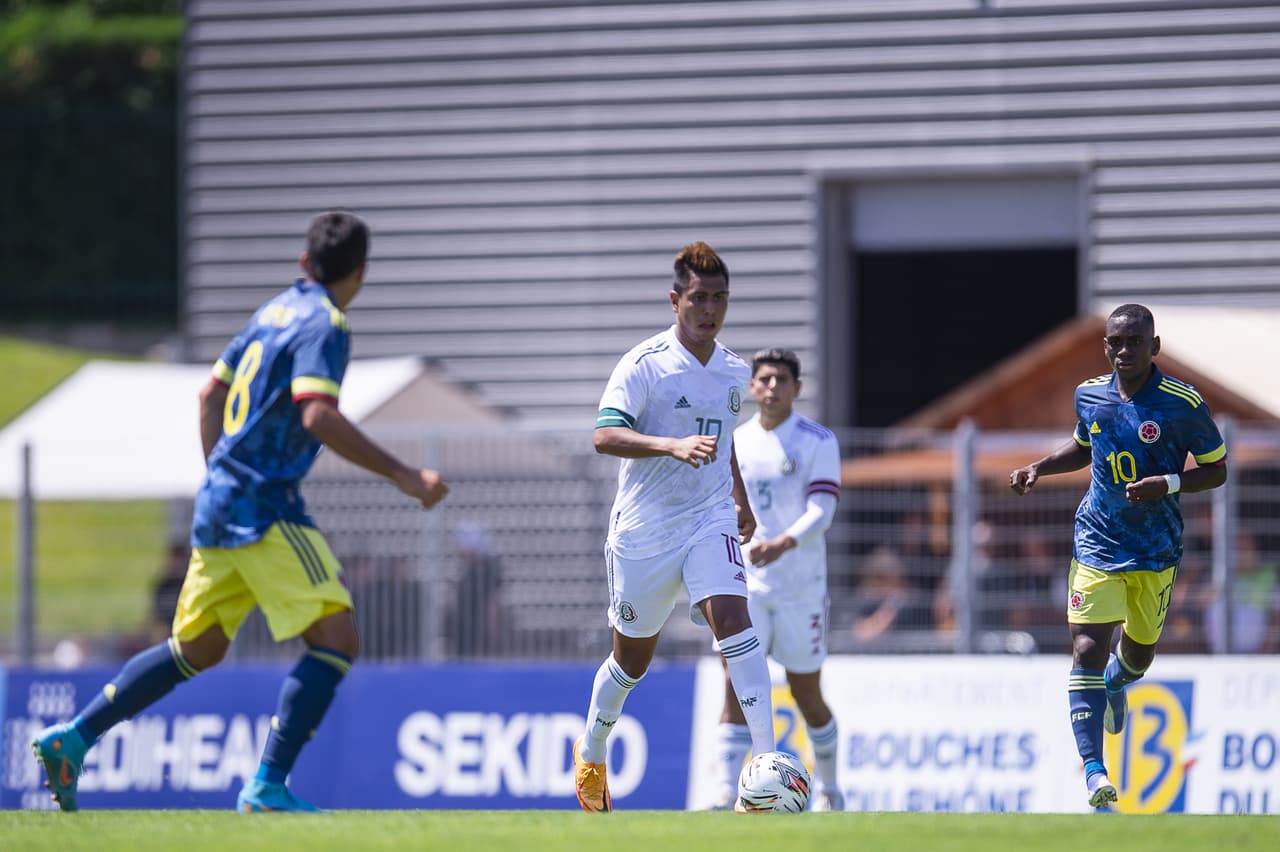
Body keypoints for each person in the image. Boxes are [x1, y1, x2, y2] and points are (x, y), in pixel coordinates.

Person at [32, 210, 449, 813]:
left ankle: (75, 737)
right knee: (337, 638)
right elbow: (317, 414)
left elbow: (210, 395)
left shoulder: (271, 312)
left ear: (305, 263)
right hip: (266, 506)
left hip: (220, 503)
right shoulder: (325, 324)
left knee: (195, 649)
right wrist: (405, 475)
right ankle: (267, 785)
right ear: (360, 272)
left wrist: (218, 473)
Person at [574, 241, 775, 812]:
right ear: (674, 300)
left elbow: (725, 442)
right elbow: (604, 435)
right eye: (698, 299)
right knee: (631, 661)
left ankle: (763, 768)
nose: (709, 310)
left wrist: (740, 498)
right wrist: (670, 444)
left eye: (719, 299)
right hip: (644, 530)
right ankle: (591, 748)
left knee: (734, 620)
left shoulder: (736, 370)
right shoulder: (645, 365)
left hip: (708, 517)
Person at [1009, 303, 1227, 810]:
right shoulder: (1090, 395)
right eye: (1115, 342)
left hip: (1155, 550)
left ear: (1155, 346)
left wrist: (1168, 483)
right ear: (1105, 346)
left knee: (1139, 655)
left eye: (1134, 341)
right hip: (1097, 541)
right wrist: (1039, 467)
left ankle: (1117, 681)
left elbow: (1217, 470)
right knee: (1086, 647)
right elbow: (1086, 446)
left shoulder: (1182, 402)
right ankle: (1094, 775)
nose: (1123, 350)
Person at [711, 348, 844, 811]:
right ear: (751, 388)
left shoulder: (817, 440)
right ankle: (726, 792)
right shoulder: (735, 441)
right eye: (764, 379)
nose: (771, 387)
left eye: (781, 380)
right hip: (745, 587)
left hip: (801, 588)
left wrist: (782, 543)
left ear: (796, 389)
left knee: (806, 691)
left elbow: (823, 510)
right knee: (735, 685)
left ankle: (829, 789)